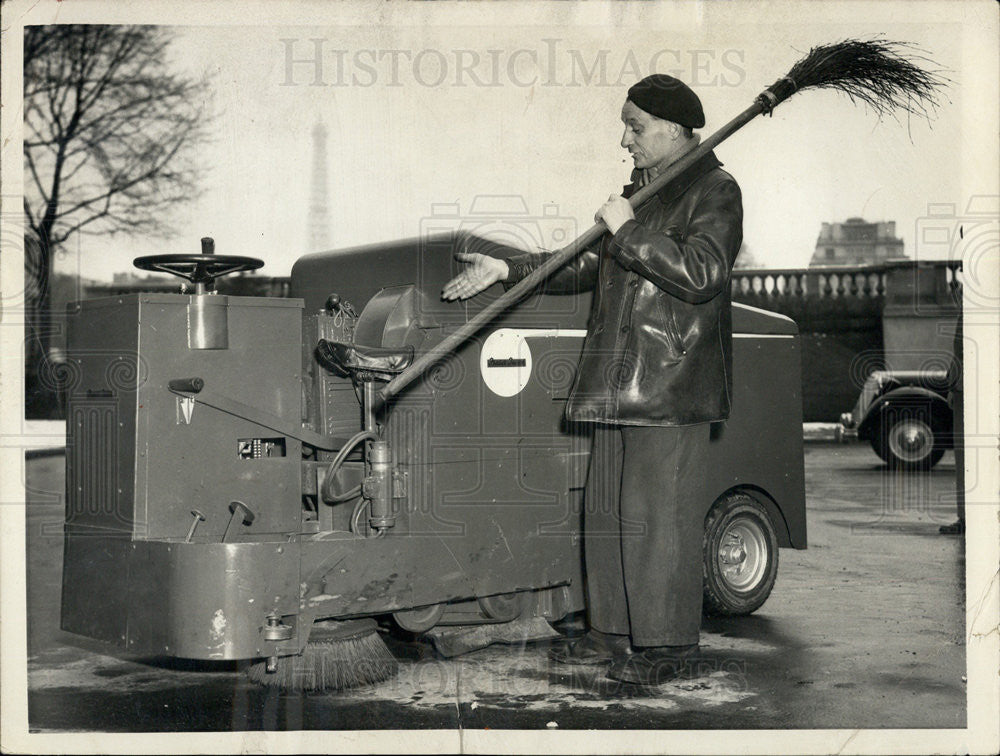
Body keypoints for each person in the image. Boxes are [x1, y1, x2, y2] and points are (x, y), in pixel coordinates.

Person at [441, 74, 743, 686]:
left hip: (668, 385)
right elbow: (585, 263)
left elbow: (704, 271)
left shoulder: (715, 188)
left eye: (635, 126)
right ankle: (610, 635)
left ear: (676, 128)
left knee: (655, 516)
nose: (624, 139)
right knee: (606, 511)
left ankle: (668, 646)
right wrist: (508, 267)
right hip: (616, 382)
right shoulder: (645, 193)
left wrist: (629, 230)